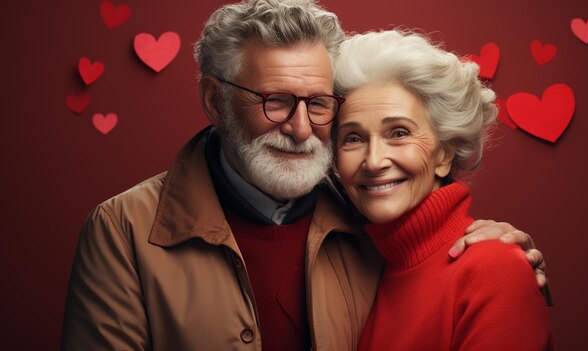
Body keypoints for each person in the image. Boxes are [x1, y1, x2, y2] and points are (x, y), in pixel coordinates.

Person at [61, 1, 549, 350]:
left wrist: (499, 259)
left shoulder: (367, 217)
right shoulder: (122, 228)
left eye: (317, 104)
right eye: (274, 100)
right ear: (215, 101)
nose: (299, 129)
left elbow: (445, 263)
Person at [332, 29, 554, 350]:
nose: (374, 160)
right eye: (353, 138)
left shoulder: (494, 268)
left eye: (398, 133)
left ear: (445, 154)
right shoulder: (357, 271)